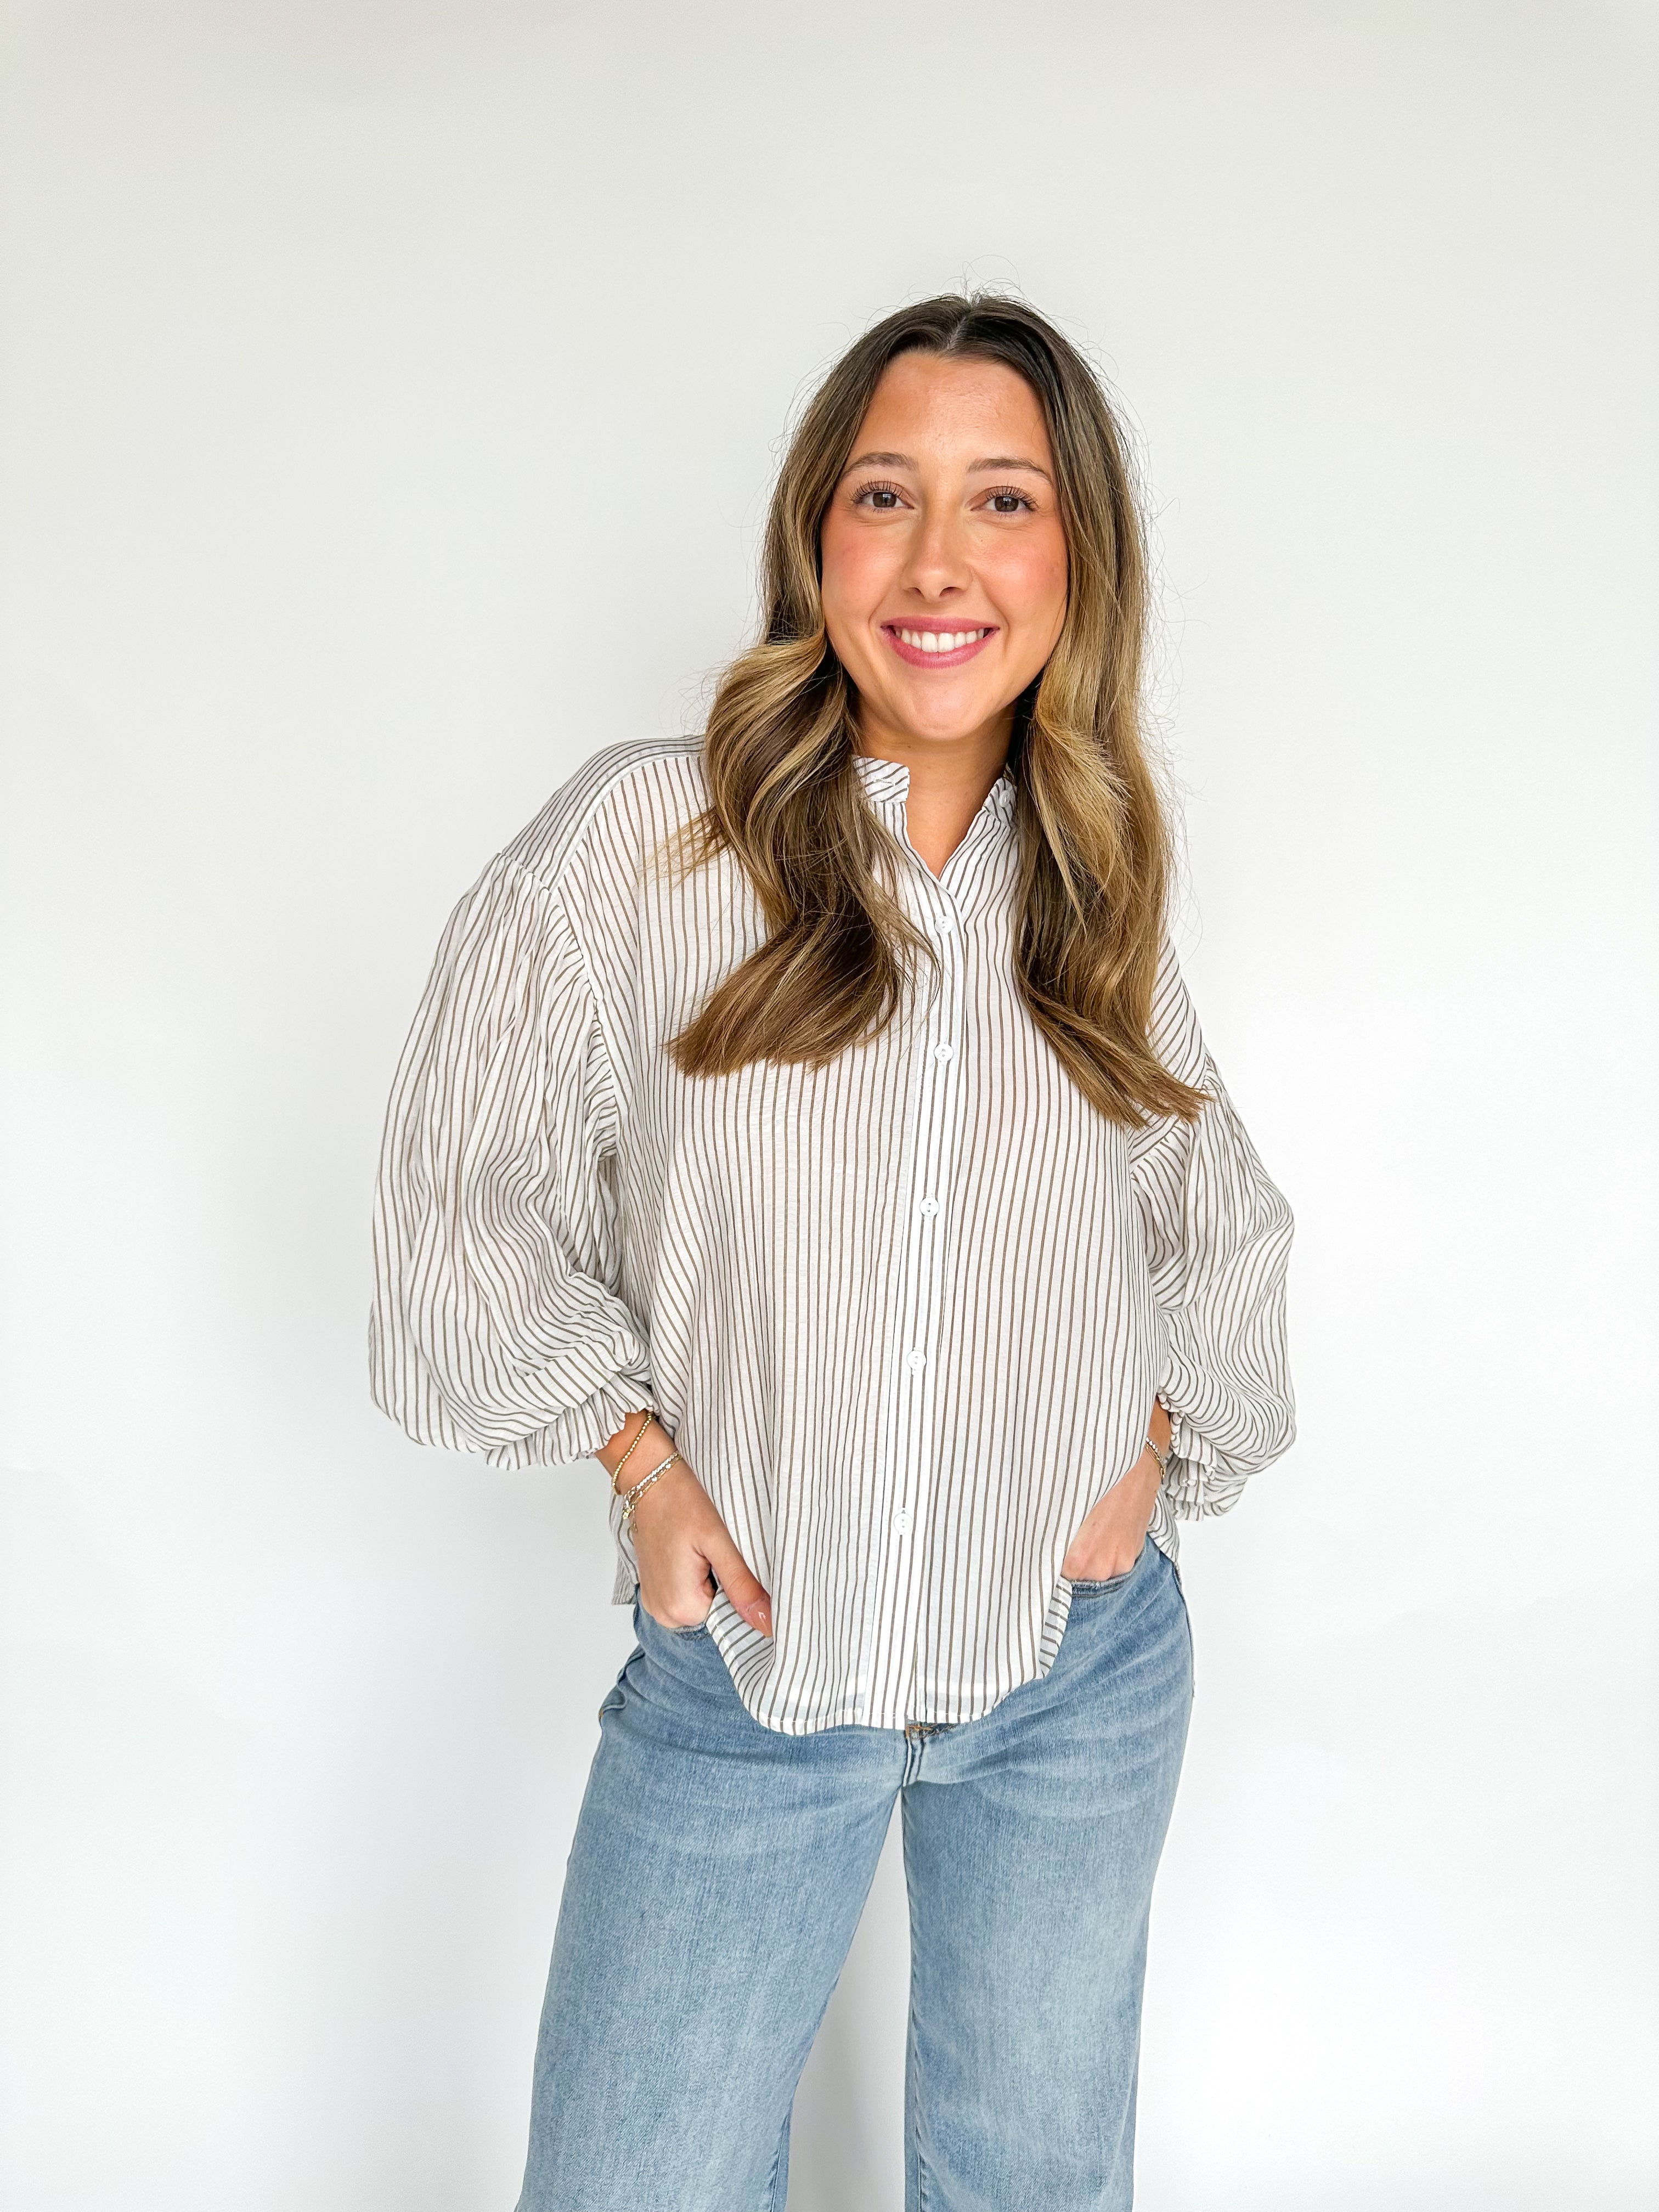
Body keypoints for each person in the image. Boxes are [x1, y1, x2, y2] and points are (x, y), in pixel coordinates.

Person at [369, 292, 1295, 2212]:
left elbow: (1217, 1217)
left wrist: (1156, 1448)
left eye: (1006, 501)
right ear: (818, 538)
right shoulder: (652, 842)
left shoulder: (1090, 877)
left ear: (1075, 563)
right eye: (889, 493)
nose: (942, 560)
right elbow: (458, 1196)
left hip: (1068, 1675)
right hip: (748, 1674)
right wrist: (635, 1457)